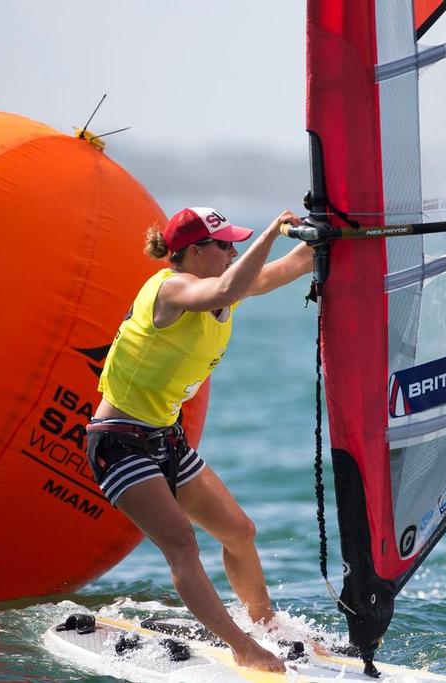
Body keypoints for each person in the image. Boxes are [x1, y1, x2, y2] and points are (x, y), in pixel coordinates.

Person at [88, 206, 311, 672]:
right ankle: (242, 647)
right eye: (224, 245)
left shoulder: (216, 290)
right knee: (183, 544)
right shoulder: (171, 289)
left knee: (240, 532)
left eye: (235, 245)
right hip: (119, 442)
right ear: (193, 253)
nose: (232, 252)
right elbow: (232, 284)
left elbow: (289, 268)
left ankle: (266, 627)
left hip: (165, 439)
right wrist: (272, 231)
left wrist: (335, 234)